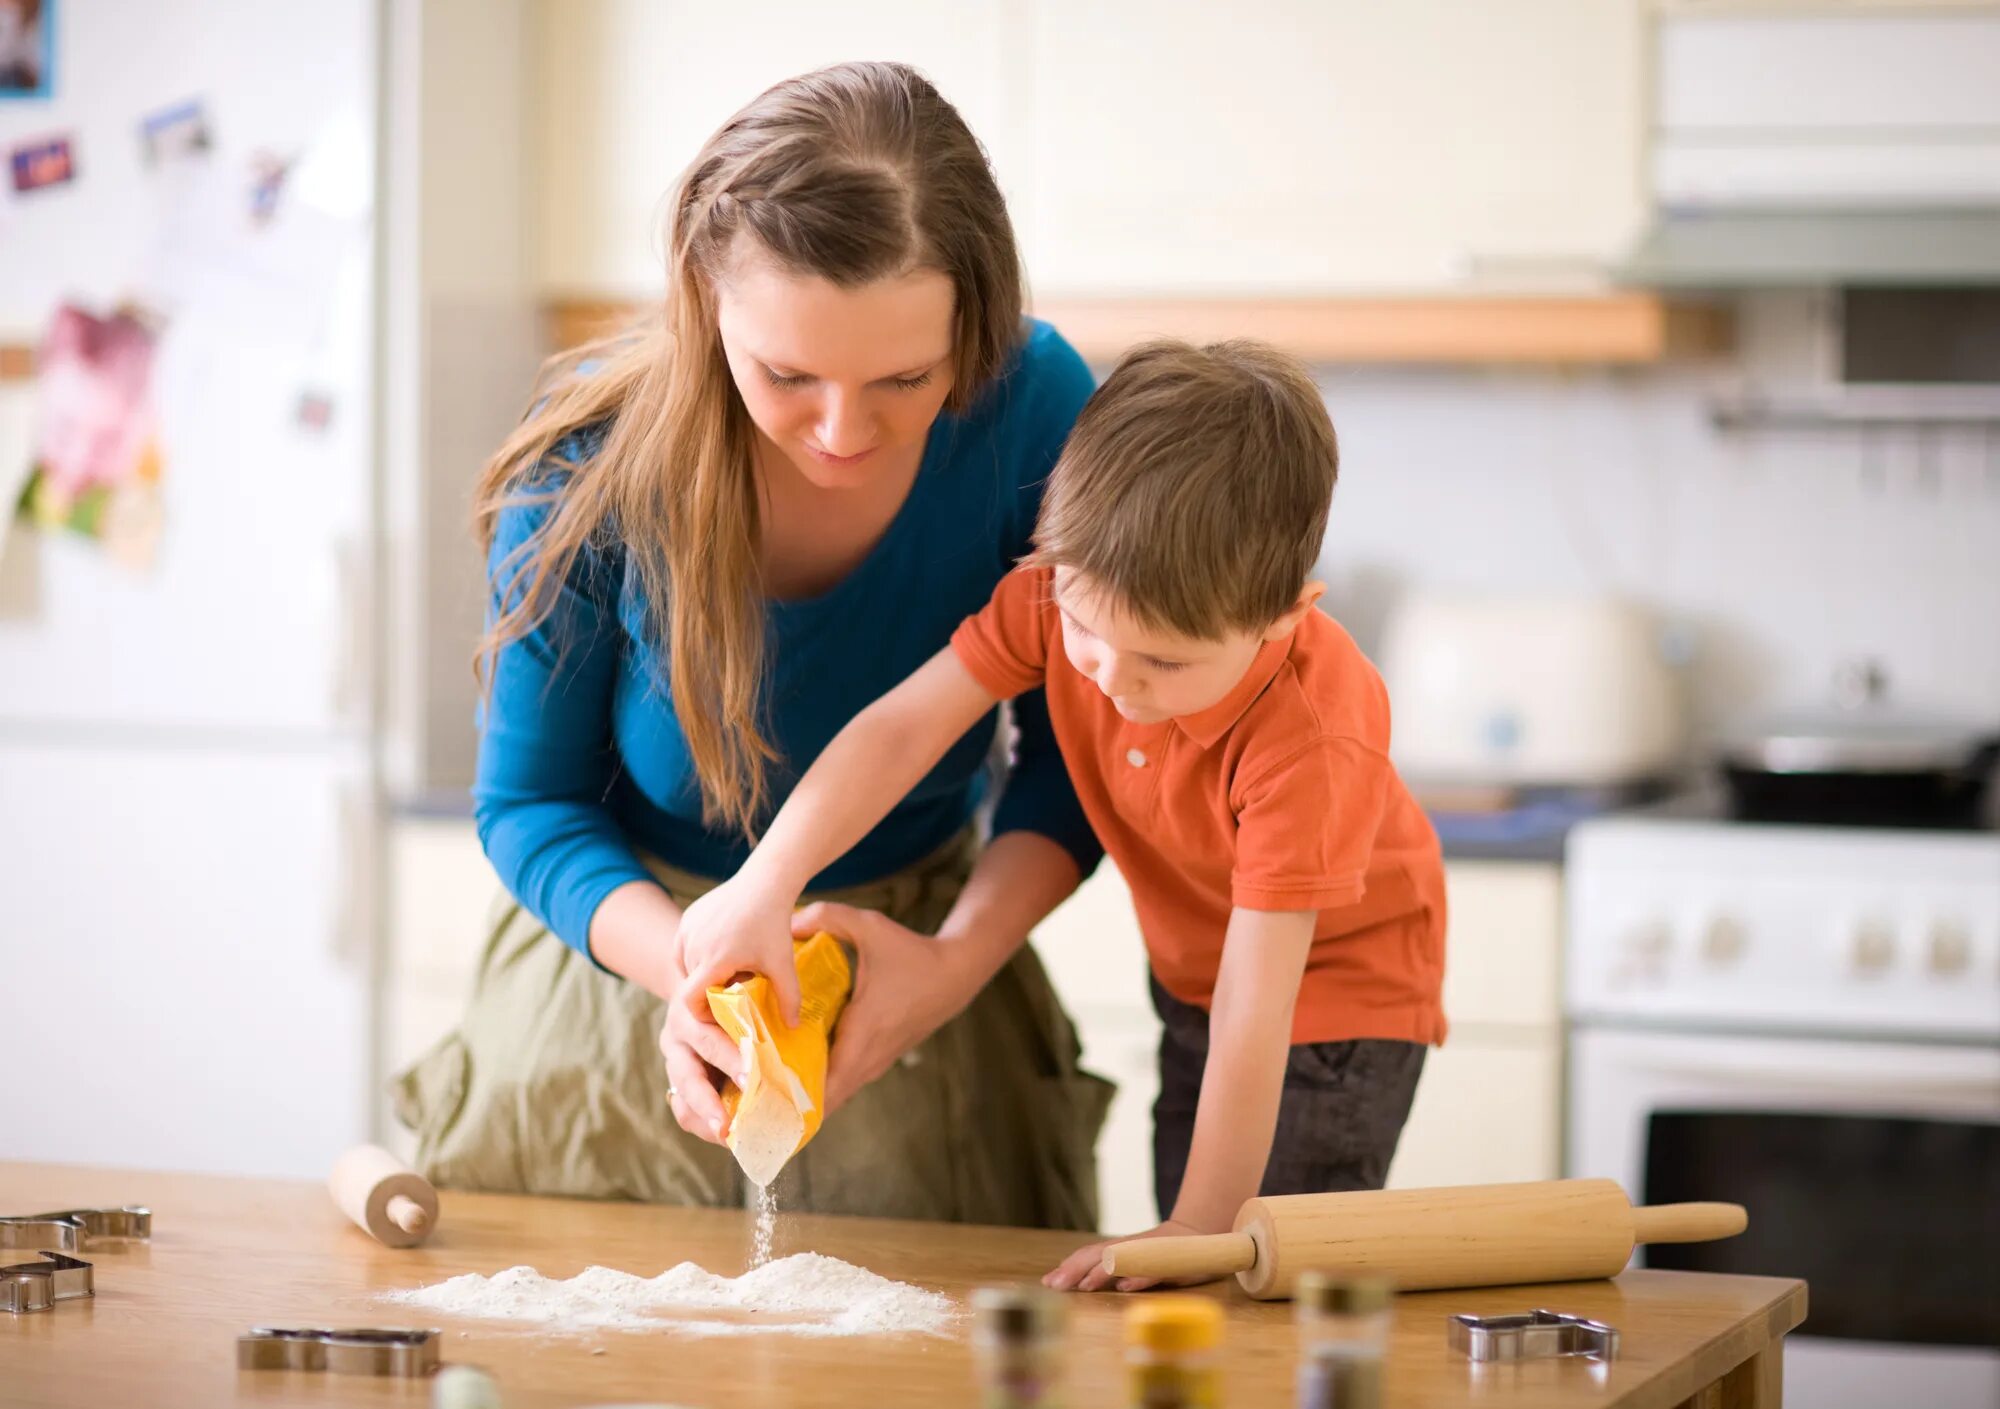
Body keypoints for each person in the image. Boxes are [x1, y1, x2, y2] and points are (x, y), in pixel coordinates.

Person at [394, 61, 1112, 1230]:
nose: (842, 431)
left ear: (973, 332)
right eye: (785, 374)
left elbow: (1080, 755)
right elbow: (529, 807)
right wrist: (689, 963)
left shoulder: (1032, 407)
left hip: (916, 979)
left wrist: (952, 965)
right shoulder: (584, 463)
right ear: (703, 299)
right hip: (621, 983)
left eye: (905, 378)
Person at [674, 339, 1448, 1287]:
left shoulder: (1311, 736)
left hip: (1331, 1008)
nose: (1113, 680)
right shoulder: (1058, 592)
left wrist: (1200, 1225)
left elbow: (1262, 999)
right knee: (1194, 1262)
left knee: (1254, 1270)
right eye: (1084, 631)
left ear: (1284, 616)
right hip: (1200, 983)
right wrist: (767, 880)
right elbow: (900, 729)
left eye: (1163, 662)